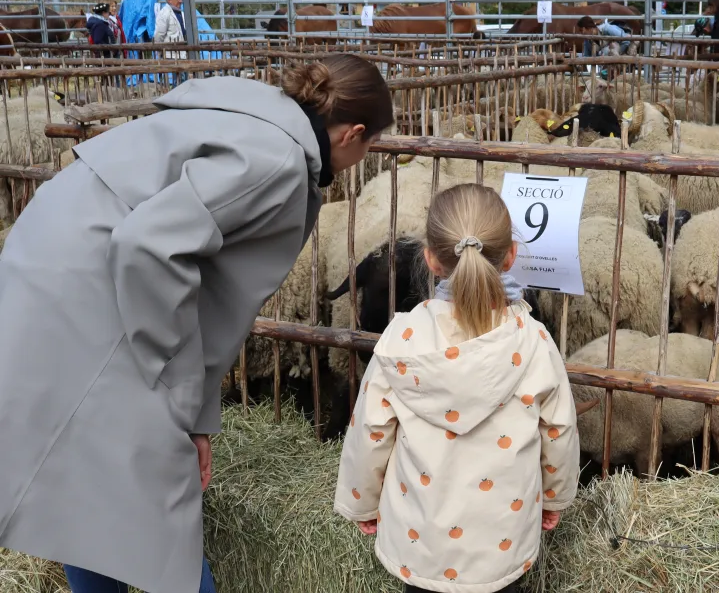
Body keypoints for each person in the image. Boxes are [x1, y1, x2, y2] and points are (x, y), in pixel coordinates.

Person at [0, 54, 394, 593]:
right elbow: (148, 246)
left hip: (56, 266)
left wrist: (199, 414)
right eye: (370, 144)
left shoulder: (250, 114)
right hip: (95, 288)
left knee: (86, 478)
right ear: (352, 134)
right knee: (149, 482)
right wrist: (182, 396)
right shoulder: (277, 160)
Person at [334, 182, 580, 593]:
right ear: (512, 255)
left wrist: (361, 502)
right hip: (502, 543)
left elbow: (371, 430)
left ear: (429, 259)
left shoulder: (402, 338)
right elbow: (559, 429)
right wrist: (554, 498)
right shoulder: (533, 340)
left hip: (421, 544)